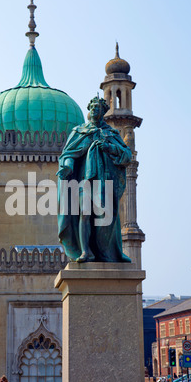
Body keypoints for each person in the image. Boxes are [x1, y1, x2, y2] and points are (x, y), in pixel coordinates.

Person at [57, 96, 132, 263]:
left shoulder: (111, 134)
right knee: (84, 214)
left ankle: (107, 253)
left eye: (97, 108)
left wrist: (110, 147)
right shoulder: (79, 132)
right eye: (92, 108)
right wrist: (67, 165)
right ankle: (85, 252)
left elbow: (127, 155)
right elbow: (67, 154)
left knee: (105, 218)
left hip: (105, 182)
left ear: (103, 112)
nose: (94, 111)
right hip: (84, 181)